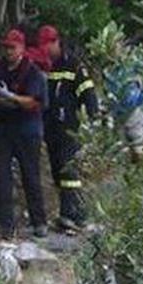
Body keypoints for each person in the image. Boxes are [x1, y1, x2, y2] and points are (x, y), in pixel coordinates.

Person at [0, 29, 49, 239]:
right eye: (6, 47)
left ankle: (39, 221)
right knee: (0, 174)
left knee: (30, 175)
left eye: (13, 47)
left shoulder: (32, 72)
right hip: (4, 127)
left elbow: (33, 102)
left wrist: (10, 97)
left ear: (22, 48)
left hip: (28, 129)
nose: (9, 51)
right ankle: (5, 224)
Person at [36, 25, 98, 233]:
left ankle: (74, 214)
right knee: (57, 170)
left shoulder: (73, 65)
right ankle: (71, 214)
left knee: (68, 169)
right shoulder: (47, 67)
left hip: (70, 128)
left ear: (56, 42)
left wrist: (93, 119)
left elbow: (88, 94)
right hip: (51, 128)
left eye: (48, 45)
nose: (45, 50)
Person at [103, 40, 143, 163]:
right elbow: (108, 92)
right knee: (123, 147)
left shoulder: (133, 62)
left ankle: (141, 163)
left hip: (137, 109)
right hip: (120, 113)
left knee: (138, 145)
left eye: (115, 48)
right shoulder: (109, 71)